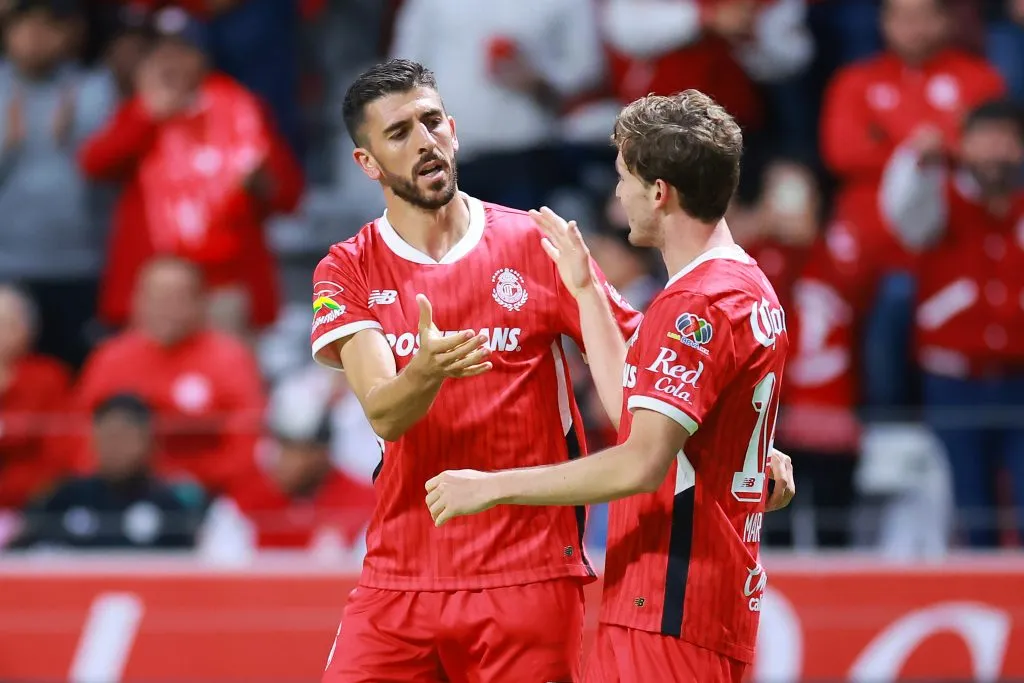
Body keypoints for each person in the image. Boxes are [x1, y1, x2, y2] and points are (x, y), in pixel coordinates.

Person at [426, 90, 795, 682]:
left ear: (659, 192)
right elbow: (638, 411)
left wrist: (491, 488)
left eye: (624, 177)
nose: (616, 195)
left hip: (672, 601)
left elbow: (639, 462)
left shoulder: (695, 307)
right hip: (693, 601)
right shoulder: (748, 288)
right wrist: (586, 292)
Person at [311, 59, 643, 683]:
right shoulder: (346, 269)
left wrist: (754, 443)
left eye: (432, 122)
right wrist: (426, 371)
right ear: (368, 164)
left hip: (528, 574)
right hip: (400, 576)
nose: (424, 141)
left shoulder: (537, 245)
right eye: (400, 133)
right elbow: (384, 410)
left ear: (455, 131)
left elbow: (646, 374)